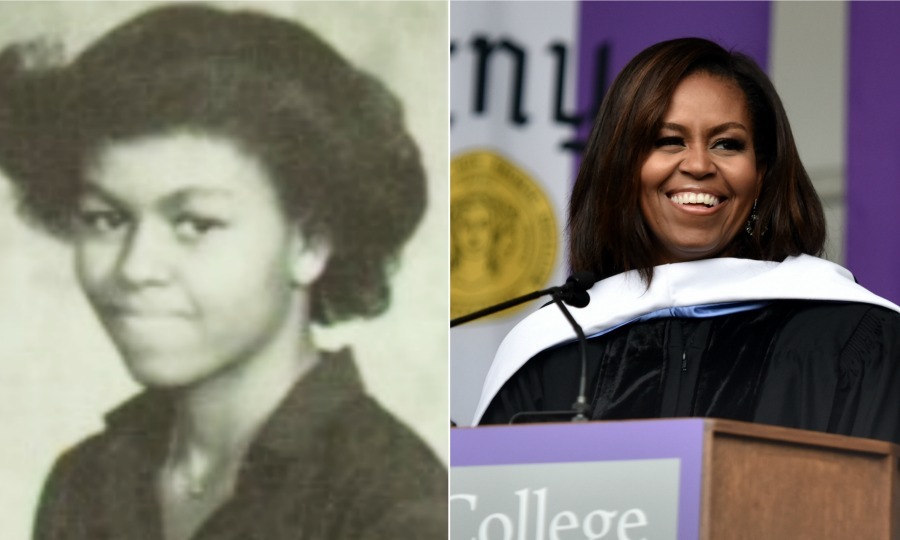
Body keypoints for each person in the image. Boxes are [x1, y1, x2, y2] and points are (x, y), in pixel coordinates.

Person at [0, 5, 446, 540]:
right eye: (107, 219)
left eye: (195, 223)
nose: (136, 268)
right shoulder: (88, 480)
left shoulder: (392, 504)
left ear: (309, 242)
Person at [475, 37, 900, 445]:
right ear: (620, 169)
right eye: (668, 141)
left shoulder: (851, 335)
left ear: (762, 174)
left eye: (727, 144)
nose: (698, 164)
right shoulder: (553, 347)